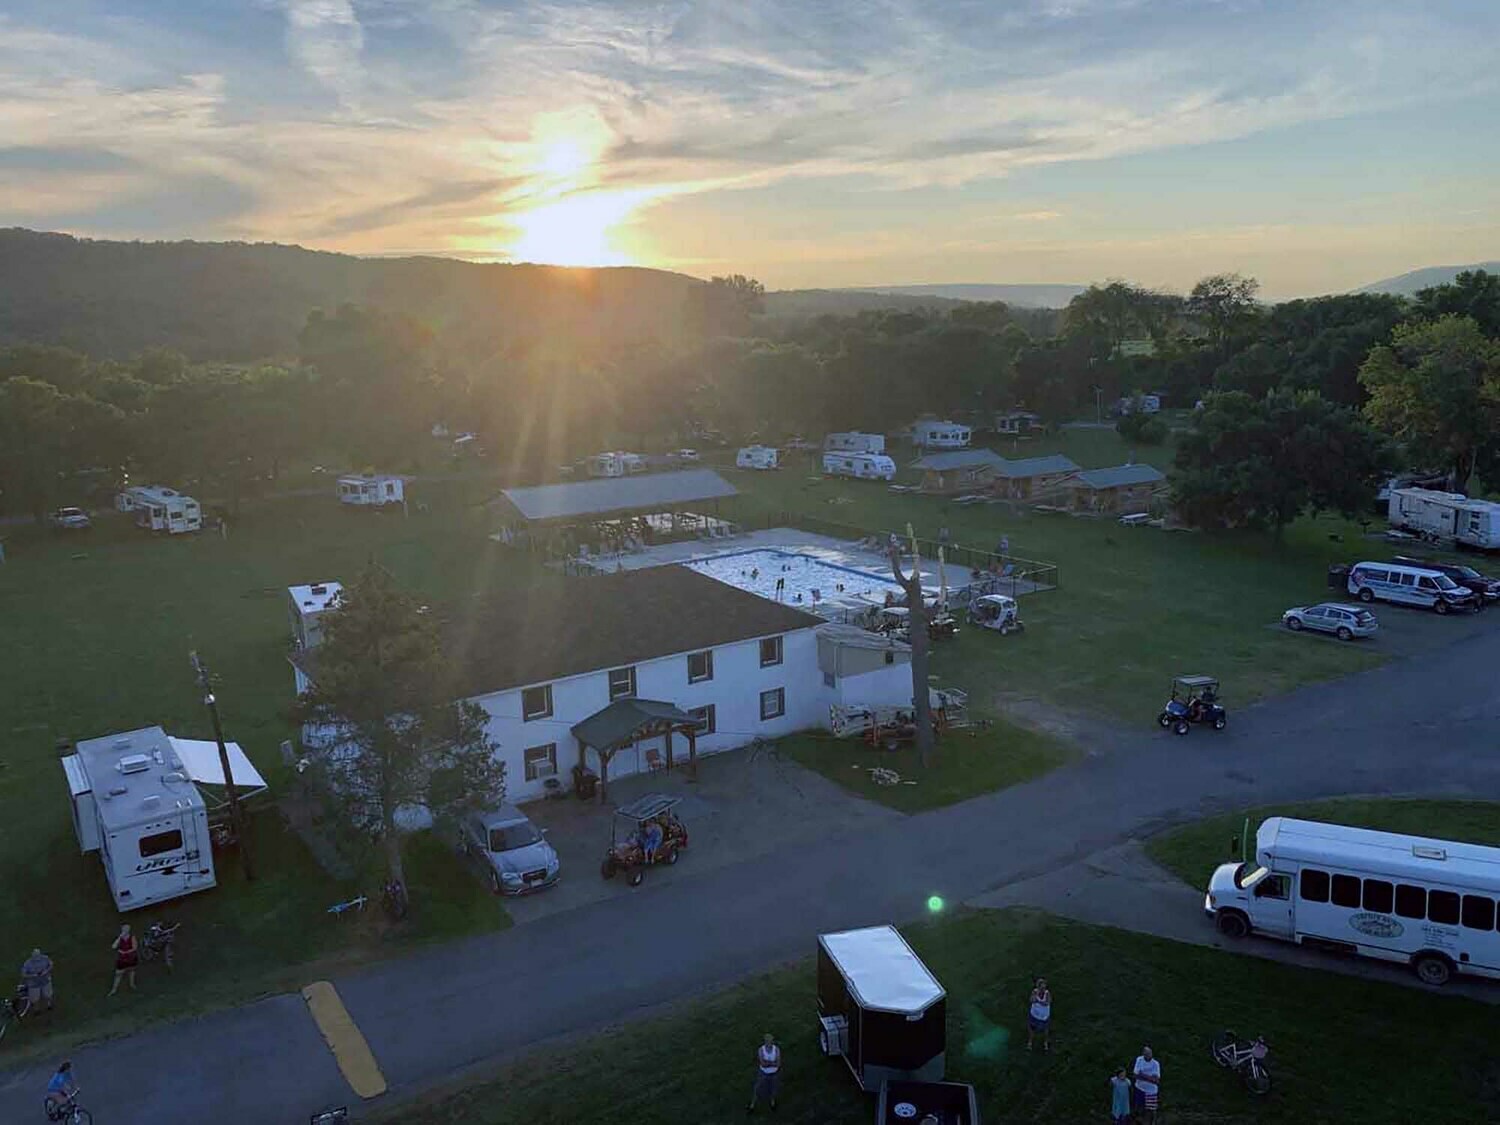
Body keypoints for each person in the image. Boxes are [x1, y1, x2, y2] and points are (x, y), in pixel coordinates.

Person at [748, 1032, 781, 1113]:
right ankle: (752, 1105)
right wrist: (772, 1063)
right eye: (767, 1041)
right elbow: (763, 1064)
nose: (769, 1043)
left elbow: (778, 1064)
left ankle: (772, 1102)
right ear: (765, 1042)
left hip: (774, 1074)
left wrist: (768, 1063)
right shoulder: (761, 1050)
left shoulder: (776, 1049)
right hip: (763, 1073)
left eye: (770, 1041)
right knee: (758, 1089)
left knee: (773, 1089)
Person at [1133, 1046, 1162, 1124]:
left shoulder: (1155, 1064)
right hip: (1140, 1088)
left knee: (1151, 1111)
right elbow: (1135, 1075)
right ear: (1143, 1054)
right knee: (1139, 1110)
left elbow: (1156, 1080)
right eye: (1147, 1054)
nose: (1149, 1055)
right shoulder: (1139, 1060)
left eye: (1150, 1053)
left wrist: (1142, 1075)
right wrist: (1150, 1078)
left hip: (1151, 1091)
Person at [21, 947, 54, 1012]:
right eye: (35, 956)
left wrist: (46, 971)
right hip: (34, 984)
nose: (37, 958)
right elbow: (23, 974)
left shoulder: (45, 958)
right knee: (35, 999)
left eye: (38, 955)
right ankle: (36, 1010)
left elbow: (51, 964)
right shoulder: (27, 963)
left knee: (48, 995)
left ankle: (49, 1005)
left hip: (45, 981)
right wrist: (33, 975)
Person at [109, 923, 138, 995]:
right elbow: (113, 946)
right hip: (122, 959)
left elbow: (135, 947)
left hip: (131, 957)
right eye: (124, 929)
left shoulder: (132, 937)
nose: (125, 930)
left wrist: (125, 952)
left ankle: (132, 984)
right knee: (118, 974)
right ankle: (114, 989)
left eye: (127, 929)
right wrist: (119, 937)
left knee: (131, 971)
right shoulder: (120, 938)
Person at [1026, 977, 1051, 1052]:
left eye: (1044, 987)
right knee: (1032, 1029)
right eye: (1041, 987)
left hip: (1044, 1017)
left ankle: (1045, 1043)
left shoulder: (1047, 993)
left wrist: (1038, 1001)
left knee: (1045, 1030)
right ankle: (1030, 1043)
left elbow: (1047, 1003)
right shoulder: (1034, 992)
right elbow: (1031, 1000)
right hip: (1034, 1015)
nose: (1043, 989)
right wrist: (1035, 998)